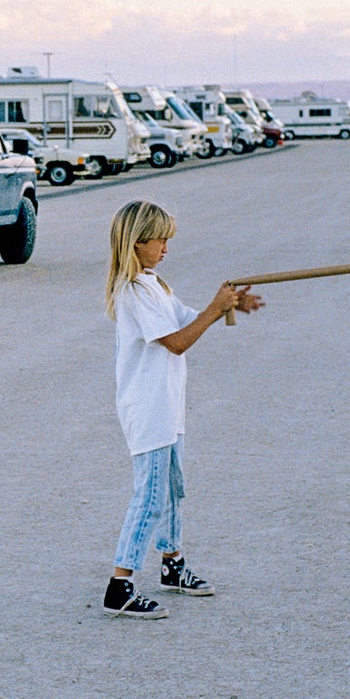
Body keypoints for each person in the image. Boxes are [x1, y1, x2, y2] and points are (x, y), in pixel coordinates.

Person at [101, 200, 263, 618]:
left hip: (168, 407)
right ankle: (119, 585)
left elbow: (183, 321)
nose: (166, 249)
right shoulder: (133, 290)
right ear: (137, 243)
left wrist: (229, 306)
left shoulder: (155, 283)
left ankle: (171, 565)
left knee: (173, 490)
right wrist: (213, 309)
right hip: (149, 409)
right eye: (161, 241)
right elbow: (175, 341)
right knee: (150, 496)